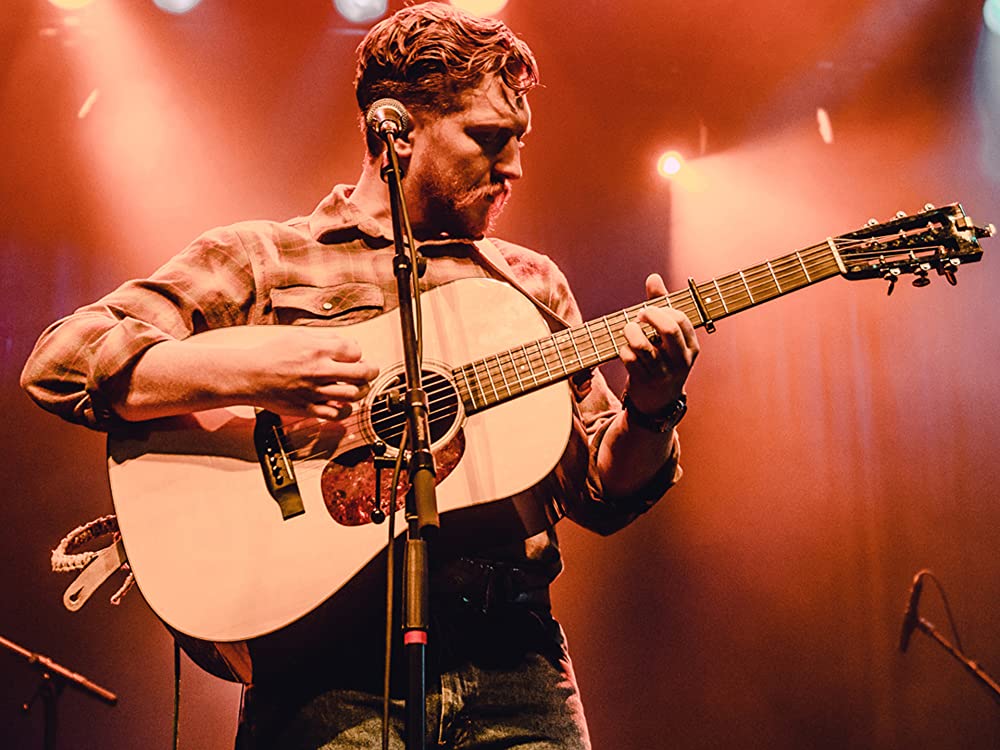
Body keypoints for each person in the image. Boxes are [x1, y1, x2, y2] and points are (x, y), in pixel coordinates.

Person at [21, 3, 698, 748]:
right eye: (488, 139)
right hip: (323, 675)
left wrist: (653, 407)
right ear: (396, 131)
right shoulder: (260, 258)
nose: (514, 167)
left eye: (519, 142)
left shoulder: (528, 284)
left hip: (514, 665)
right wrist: (254, 370)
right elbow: (61, 359)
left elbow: (600, 494)